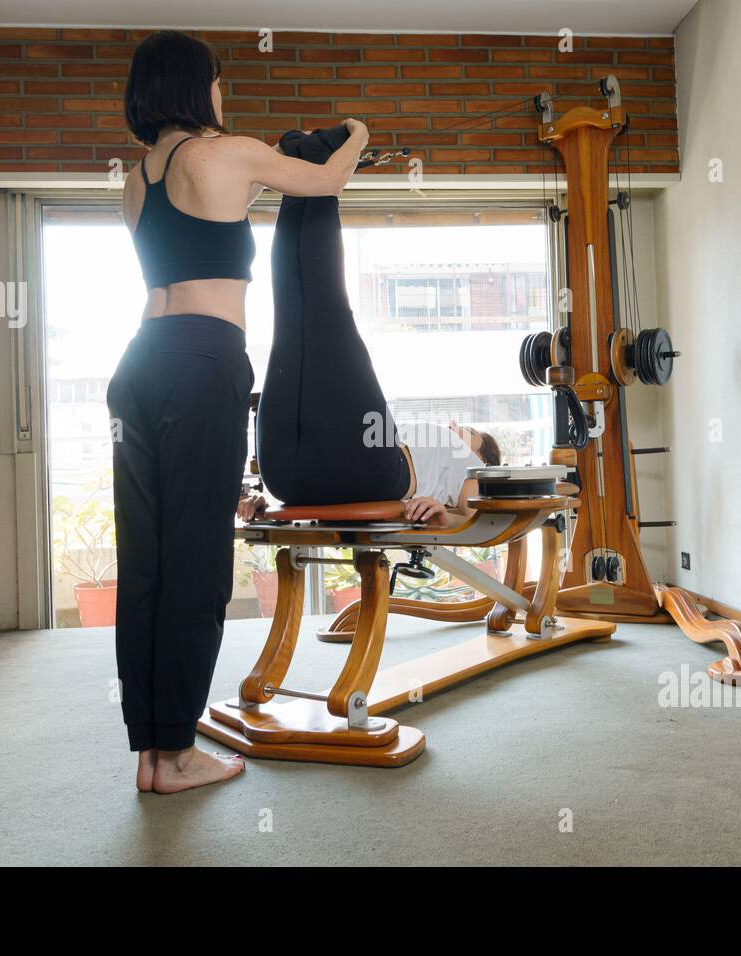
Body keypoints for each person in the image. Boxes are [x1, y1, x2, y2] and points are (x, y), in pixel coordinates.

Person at [109, 29, 370, 794]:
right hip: (201, 363)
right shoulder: (227, 152)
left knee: (148, 567)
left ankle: (150, 755)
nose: (224, 97)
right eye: (218, 84)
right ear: (199, 87)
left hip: (139, 366)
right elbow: (326, 181)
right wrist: (358, 133)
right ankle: (179, 754)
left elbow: (198, 238)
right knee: (194, 564)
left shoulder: (135, 178)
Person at [237, 421, 504, 527]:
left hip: (377, 467)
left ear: (481, 460)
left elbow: (472, 520)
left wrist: (444, 515)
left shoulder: (470, 469)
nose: (453, 427)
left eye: (465, 433)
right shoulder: (421, 447)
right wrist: (271, 504)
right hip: (357, 456)